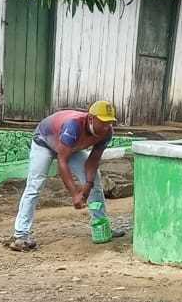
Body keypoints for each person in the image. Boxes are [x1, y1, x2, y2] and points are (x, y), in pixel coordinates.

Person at [8, 100, 121, 252]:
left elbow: (93, 160)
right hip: (44, 142)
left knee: (95, 180)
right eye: (103, 122)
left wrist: (87, 188)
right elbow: (62, 161)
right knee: (35, 185)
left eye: (109, 123)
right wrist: (75, 194)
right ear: (91, 118)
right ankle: (20, 235)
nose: (106, 126)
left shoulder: (107, 132)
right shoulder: (73, 125)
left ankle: (101, 226)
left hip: (70, 147)